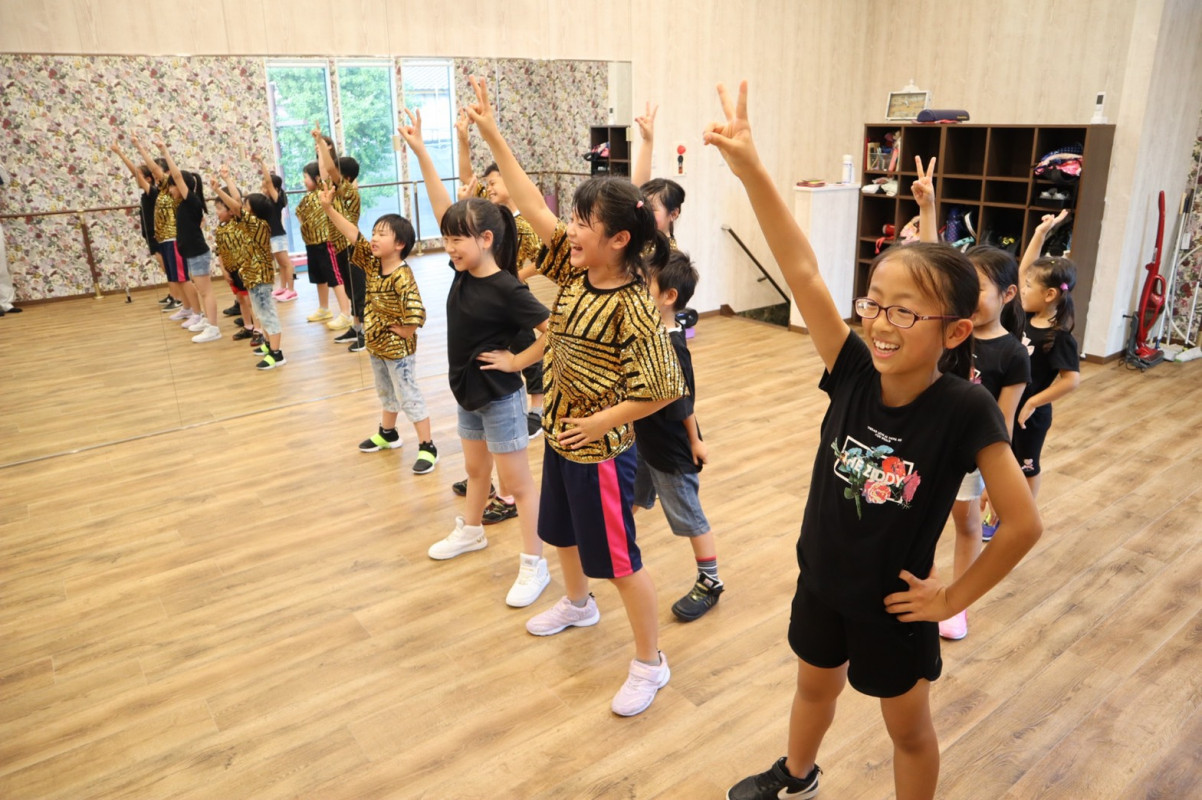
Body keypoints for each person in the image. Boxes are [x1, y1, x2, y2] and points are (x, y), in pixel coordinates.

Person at [706, 81, 1041, 800]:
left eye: (904, 313)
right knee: (812, 689)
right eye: (875, 304)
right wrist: (752, 169)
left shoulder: (965, 409)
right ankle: (797, 774)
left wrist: (951, 599)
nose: (881, 323)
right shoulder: (854, 369)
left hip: (894, 607)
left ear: (955, 331)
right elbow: (801, 269)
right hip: (821, 582)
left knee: (908, 731)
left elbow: (1023, 523)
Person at [469, 75, 687, 717]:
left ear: (618, 239)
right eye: (571, 218)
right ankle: (576, 603)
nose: (567, 229)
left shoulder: (633, 305)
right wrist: (493, 136)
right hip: (564, 436)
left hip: (603, 450)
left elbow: (662, 390)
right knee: (560, 532)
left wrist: (599, 425)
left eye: (581, 222)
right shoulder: (574, 271)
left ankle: (651, 662)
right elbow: (529, 202)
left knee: (620, 562)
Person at [400, 108, 552, 605]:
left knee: (517, 484)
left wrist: (517, 363)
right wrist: (423, 152)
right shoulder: (464, 272)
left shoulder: (508, 287)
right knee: (476, 471)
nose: (449, 247)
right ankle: (472, 531)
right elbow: (442, 203)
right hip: (467, 391)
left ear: (486, 240)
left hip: (500, 396)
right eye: (446, 239)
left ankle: (534, 564)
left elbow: (555, 332)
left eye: (456, 239)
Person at [912, 157, 1031, 641]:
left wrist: (994, 481)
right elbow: (931, 270)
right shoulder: (952, 330)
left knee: (965, 524)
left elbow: (1003, 423)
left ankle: (956, 603)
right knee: (917, 514)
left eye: (977, 288)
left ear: (1008, 294)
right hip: (927, 439)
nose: (965, 296)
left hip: (968, 455)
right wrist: (929, 208)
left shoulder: (1013, 354)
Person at [319, 171, 439, 475]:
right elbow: (353, 235)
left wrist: (407, 330)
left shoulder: (402, 274)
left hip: (398, 350)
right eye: (374, 232)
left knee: (408, 394)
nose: (373, 238)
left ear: (399, 244)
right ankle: (388, 433)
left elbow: (416, 308)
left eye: (382, 234)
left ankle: (428, 446)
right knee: (386, 391)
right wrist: (329, 209)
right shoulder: (373, 264)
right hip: (376, 344)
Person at [630, 250, 725, 621]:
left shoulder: (672, 346)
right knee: (631, 496)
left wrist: (695, 440)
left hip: (669, 450)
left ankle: (710, 581)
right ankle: (615, 546)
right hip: (645, 441)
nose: (637, 291)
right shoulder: (653, 333)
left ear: (668, 297)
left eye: (644, 286)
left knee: (690, 518)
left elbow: (684, 400)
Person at [1014, 210, 1082, 499]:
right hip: (1009, 405)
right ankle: (999, 510)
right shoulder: (1026, 317)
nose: (1023, 289)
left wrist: (1033, 402)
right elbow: (1024, 270)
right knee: (1005, 462)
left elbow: (1071, 380)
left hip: (1031, 416)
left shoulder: (1059, 336)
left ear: (1050, 295)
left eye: (1029, 287)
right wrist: (1040, 234)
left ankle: (1024, 516)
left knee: (1027, 467)